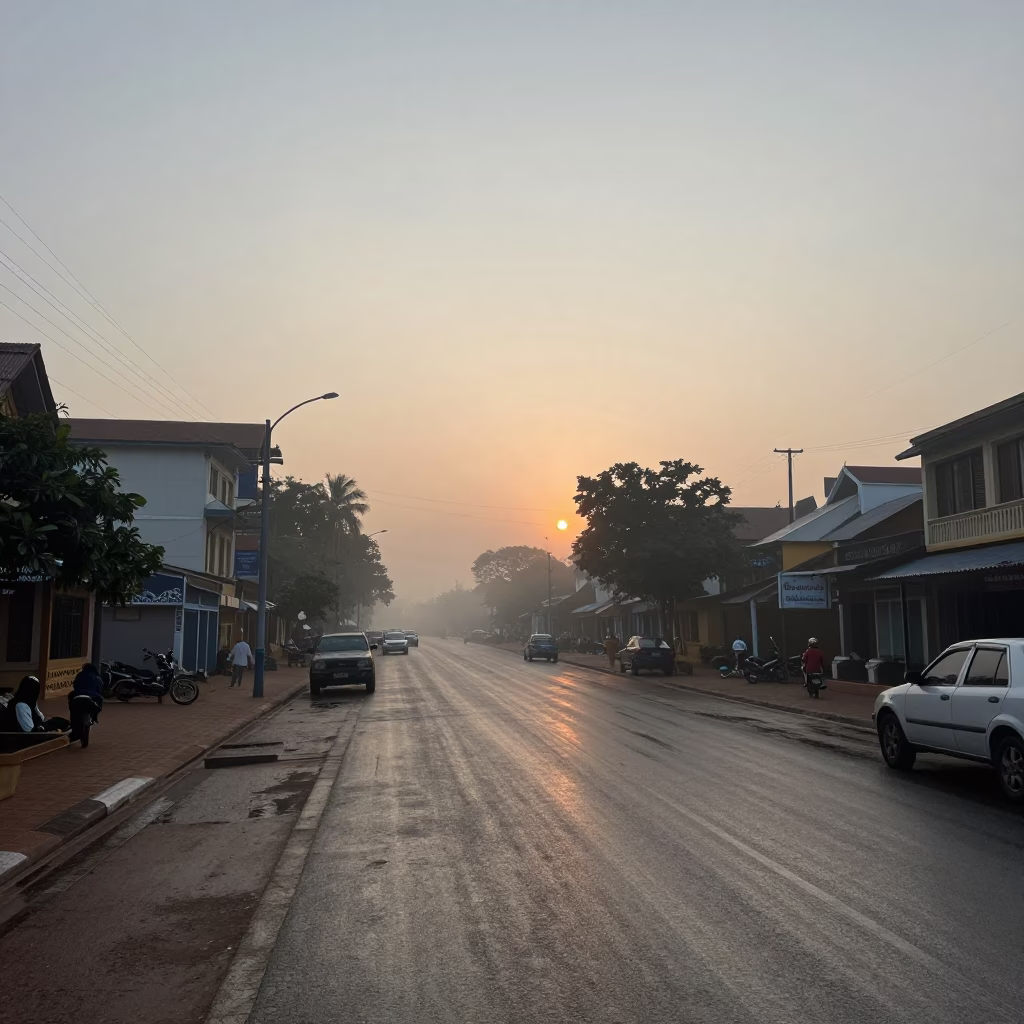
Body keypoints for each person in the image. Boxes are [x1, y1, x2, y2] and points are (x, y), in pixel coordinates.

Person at [68, 663, 104, 743]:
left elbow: (75, 685)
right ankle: (94, 717)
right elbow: (100, 690)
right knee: (99, 703)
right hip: (93, 698)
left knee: (72, 706)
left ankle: (74, 729)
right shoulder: (97, 678)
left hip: (78, 697)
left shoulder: (80, 675)